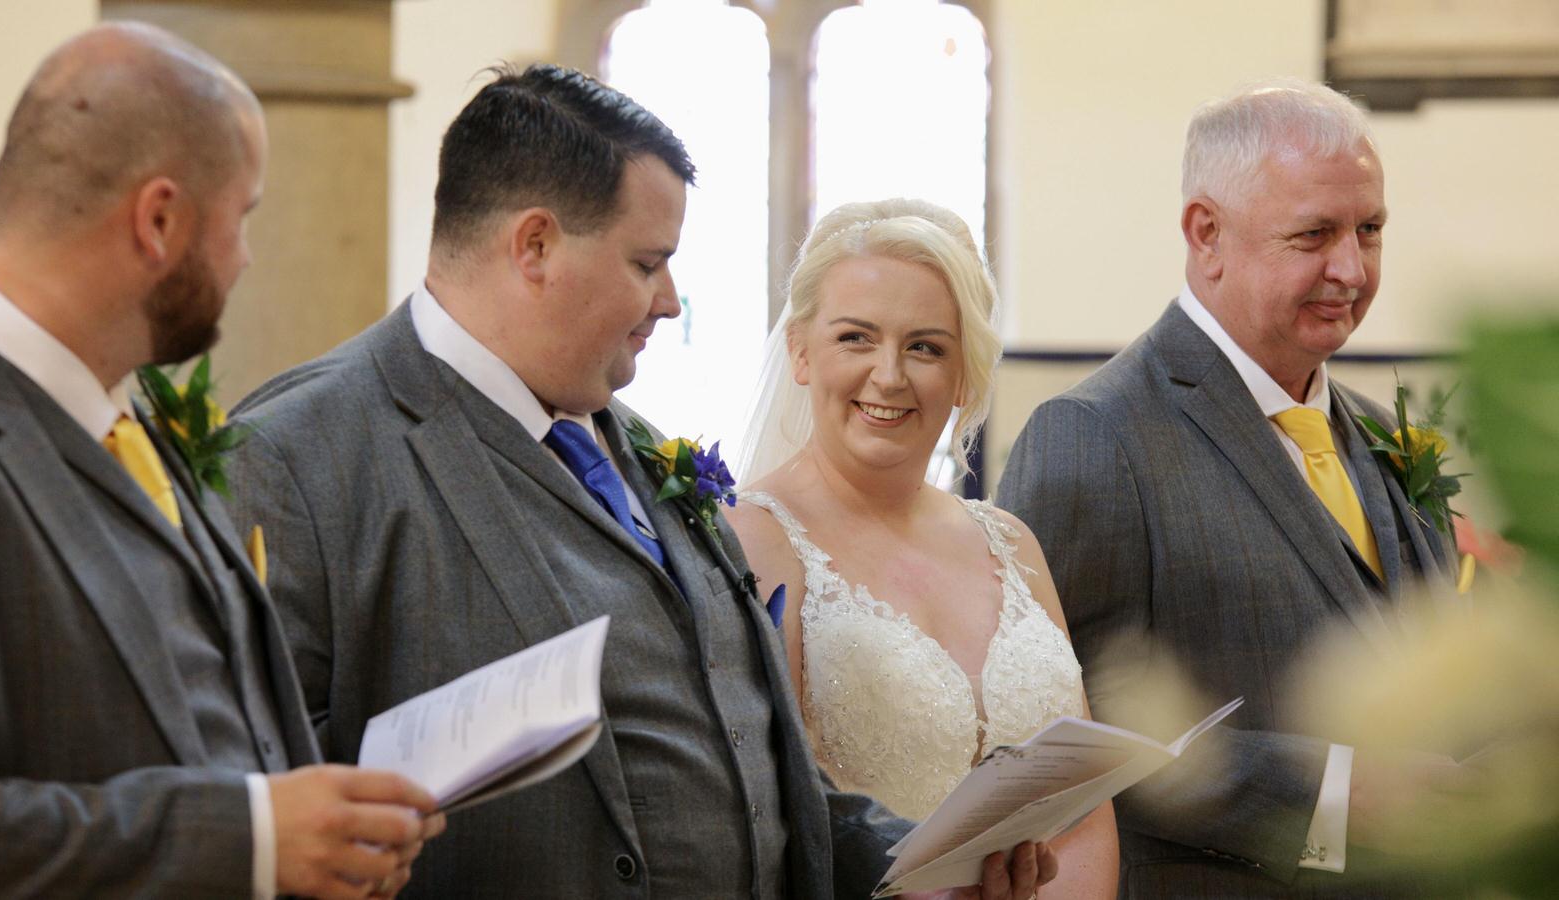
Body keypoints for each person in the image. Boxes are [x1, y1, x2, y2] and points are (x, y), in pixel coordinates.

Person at [223, 64, 1047, 899]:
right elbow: (256, 799)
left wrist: (926, 866)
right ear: (535, 245)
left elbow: (748, 759)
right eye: (648, 263)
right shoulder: (299, 455)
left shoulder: (643, 450)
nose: (670, 300)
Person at [0, 22, 443, 899]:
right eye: (243, 216)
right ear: (159, 220)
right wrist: (251, 838)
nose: (248, 257)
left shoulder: (123, 406)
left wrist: (320, 835)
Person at [997, 78, 1463, 896]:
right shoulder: (1095, 435)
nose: (1350, 268)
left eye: (1371, 230)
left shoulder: (1389, 439)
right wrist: (1338, 796)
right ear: (1206, 232)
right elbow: (1066, 731)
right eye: (1314, 233)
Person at [728, 198, 1116, 898]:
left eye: (925, 346)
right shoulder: (753, 541)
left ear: (963, 372)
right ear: (800, 351)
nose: (889, 376)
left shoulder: (1013, 544)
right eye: (856, 338)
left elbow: (1083, 811)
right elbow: (770, 809)